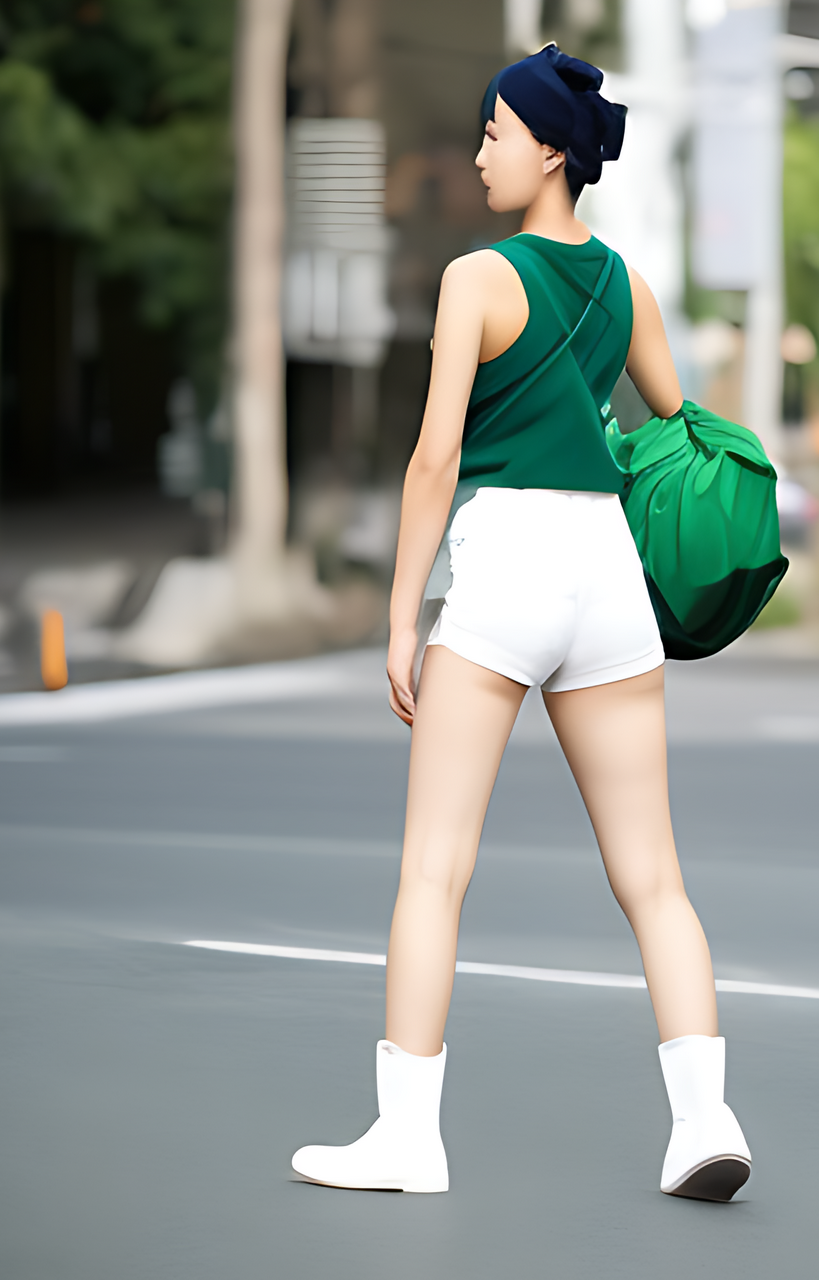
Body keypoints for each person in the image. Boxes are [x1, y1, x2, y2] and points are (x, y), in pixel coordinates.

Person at [291, 45, 752, 1203]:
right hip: (605, 576)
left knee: (433, 872)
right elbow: (676, 420)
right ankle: (704, 1121)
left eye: (495, 131)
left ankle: (407, 1137)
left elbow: (434, 455)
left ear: (549, 149)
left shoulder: (474, 278)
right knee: (653, 876)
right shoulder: (624, 284)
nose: (480, 149)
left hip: (502, 572)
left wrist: (399, 617)